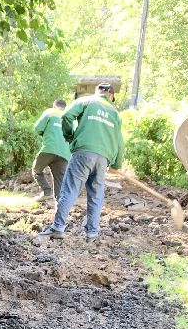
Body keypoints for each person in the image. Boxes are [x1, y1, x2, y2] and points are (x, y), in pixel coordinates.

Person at [38, 82, 124, 240]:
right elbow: (119, 142)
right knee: (96, 195)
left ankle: (58, 227)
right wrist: (117, 163)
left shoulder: (85, 101)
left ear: (97, 92)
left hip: (83, 152)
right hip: (103, 158)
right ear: (111, 96)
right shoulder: (115, 113)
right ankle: (92, 232)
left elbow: (66, 116)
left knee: (70, 190)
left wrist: (69, 136)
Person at [32, 98, 69, 201]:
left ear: (54, 106)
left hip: (49, 148)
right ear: (64, 107)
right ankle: (60, 205)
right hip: (65, 153)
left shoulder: (50, 112)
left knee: (36, 169)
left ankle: (47, 191)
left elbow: (38, 128)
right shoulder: (70, 117)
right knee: (59, 180)